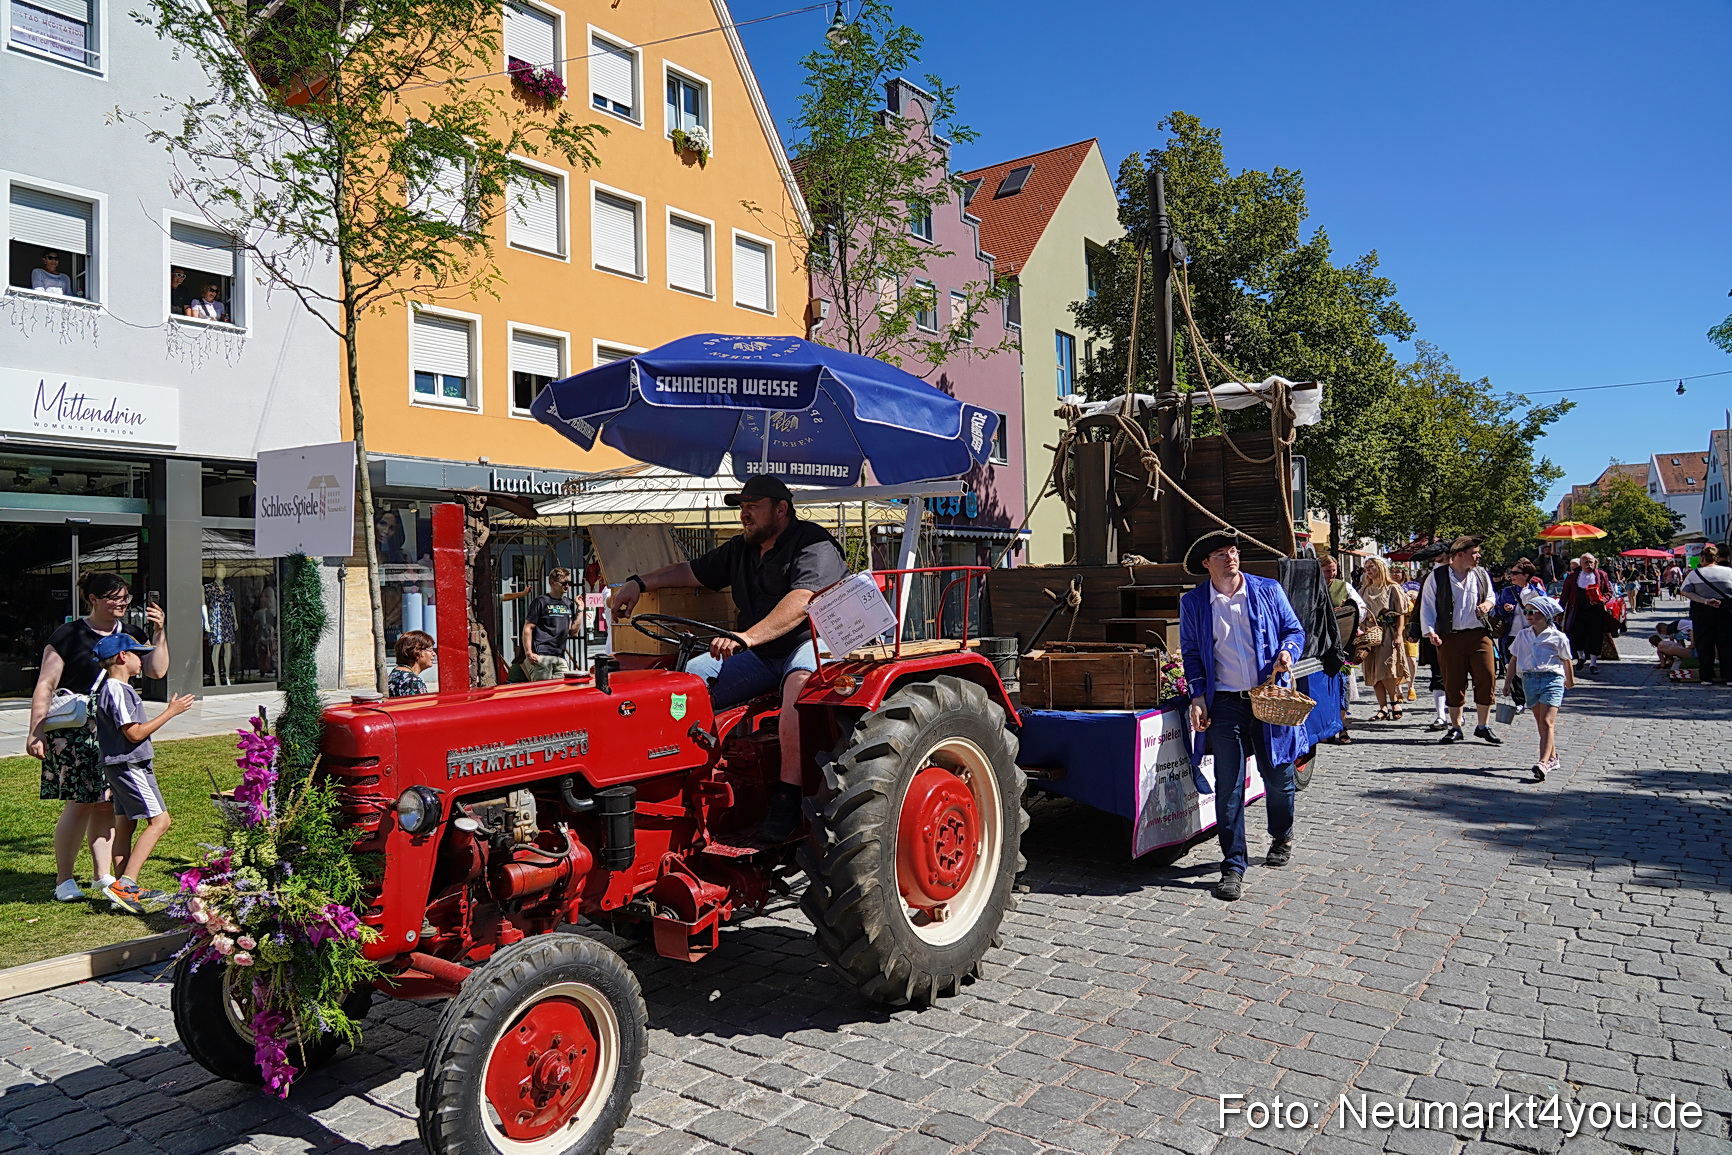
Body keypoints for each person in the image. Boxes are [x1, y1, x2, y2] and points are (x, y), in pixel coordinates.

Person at [609, 474, 846, 843]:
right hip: (761, 650)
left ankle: (788, 798)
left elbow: (803, 600)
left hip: (814, 642)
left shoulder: (814, 543)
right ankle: (676, 776)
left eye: (752, 507)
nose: (744, 515)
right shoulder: (742, 548)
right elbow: (689, 572)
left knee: (797, 690)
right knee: (687, 679)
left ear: (781, 509)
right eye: (742, 508)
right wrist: (638, 582)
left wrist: (746, 637)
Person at [1178, 529, 1307, 903]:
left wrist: (1288, 652)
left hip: (1267, 697)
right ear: (1207, 564)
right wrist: (1198, 696)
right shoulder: (1195, 602)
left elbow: (1294, 630)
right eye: (1220, 553)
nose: (1230, 558)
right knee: (1228, 786)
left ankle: (1281, 834)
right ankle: (1233, 865)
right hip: (1227, 704)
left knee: (1280, 778)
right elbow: (1191, 652)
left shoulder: (1267, 590)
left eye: (1233, 551)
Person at [28, 572, 168, 903]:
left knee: (107, 804)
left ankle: (102, 876)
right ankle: (64, 880)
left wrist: (160, 631)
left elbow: (157, 670)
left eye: (125, 597)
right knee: (79, 804)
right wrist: (36, 731)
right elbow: (46, 684)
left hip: (112, 733)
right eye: (113, 597)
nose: (121, 603)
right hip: (76, 733)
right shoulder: (69, 634)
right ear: (93, 599)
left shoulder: (131, 634)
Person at [91, 634, 194, 913]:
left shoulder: (116, 688)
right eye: (138, 654)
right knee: (160, 822)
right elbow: (134, 733)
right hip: (130, 765)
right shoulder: (117, 689)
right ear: (123, 658)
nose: (142, 660)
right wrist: (171, 712)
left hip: (120, 765)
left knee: (126, 824)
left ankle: (126, 890)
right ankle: (125, 884)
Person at [1420, 535, 1500, 745]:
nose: (1478, 556)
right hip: (1450, 636)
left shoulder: (1481, 574)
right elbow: (1427, 606)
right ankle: (1456, 727)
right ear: (1459, 555)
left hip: (1479, 634)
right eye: (1474, 553)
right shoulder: (1437, 577)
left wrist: (1488, 605)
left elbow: (1491, 596)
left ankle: (1483, 725)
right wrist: (1430, 632)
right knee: (1453, 681)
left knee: (1487, 676)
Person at [1503, 596, 1573, 782]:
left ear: (1545, 614)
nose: (1528, 615)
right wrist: (1507, 682)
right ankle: (1553, 757)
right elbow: (1514, 659)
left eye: (1532, 612)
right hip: (1529, 680)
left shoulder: (1557, 637)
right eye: (1526, 611)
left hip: (1552, 679)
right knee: (1541, 723)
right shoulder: (1522, 635)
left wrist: (1570, 681)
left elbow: (1566, 659)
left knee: (1547, 721)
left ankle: (1543, 762)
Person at [1319, 555, 1367, 744]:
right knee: (1324, 687)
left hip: (1342, 642)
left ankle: (1342, 726)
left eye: (1333, 570)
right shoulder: (1312, 586)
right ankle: (1328, 727)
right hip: (1320, 644)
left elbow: (1361, 609)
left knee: (1342, 685)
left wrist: (1348, 614)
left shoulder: (1343, 586)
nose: (1331, 574)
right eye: (1327, 570)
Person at [1357, 558, 1412, 721]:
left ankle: (1395, 701)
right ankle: (1382, 707)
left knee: (1386, 669)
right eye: (1366, 568)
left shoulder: (1392, 588)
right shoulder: (1364, 589)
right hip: (1369, 634)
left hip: (1387, 632)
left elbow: (1400, 613)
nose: (1368, 570)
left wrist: (1398, 635)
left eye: (1371, 567)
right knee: (1373, 671)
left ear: (1380, 568)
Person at [1679, 545, 1732, 686]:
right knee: (1726, 643)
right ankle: (1729, 676)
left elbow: (1684, 591)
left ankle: (1706, 677)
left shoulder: (1695, 574)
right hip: (1726, 610)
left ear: (1702, 558)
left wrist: (1704, 600)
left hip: (1702, 611)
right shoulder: (1728, 572)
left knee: (1705, 644)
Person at [521, 569, 581, 680]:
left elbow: (573, 632)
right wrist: (528, 652)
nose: (567, 586)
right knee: (542, 692)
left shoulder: (569, 603)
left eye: (569, 583)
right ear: (552, 583)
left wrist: (580, 609)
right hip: (542, 655)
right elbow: (528, 627)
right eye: (563, 583)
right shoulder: (541, 601)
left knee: (562, 691)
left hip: (560, 656)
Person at [1560, 552, 1613, 676]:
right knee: (1576, 634)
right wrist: (1560, 611)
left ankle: (1593, 664)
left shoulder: (1601, 575)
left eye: (1591, 562)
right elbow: (1565, 595)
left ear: (1595, 563)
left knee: (1595, 636)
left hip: (1595, 611)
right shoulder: (1572, 576)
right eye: (1586, 562)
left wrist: (1603, 600)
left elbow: (1608, 592)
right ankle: (1581, 656)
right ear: (1581, 564)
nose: (1589, 565)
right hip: (1577, 611)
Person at [389, 630, 435, 696]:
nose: (434, 654)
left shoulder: (395, 673)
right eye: (430, 650)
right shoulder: (413, 682)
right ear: (416, 651)